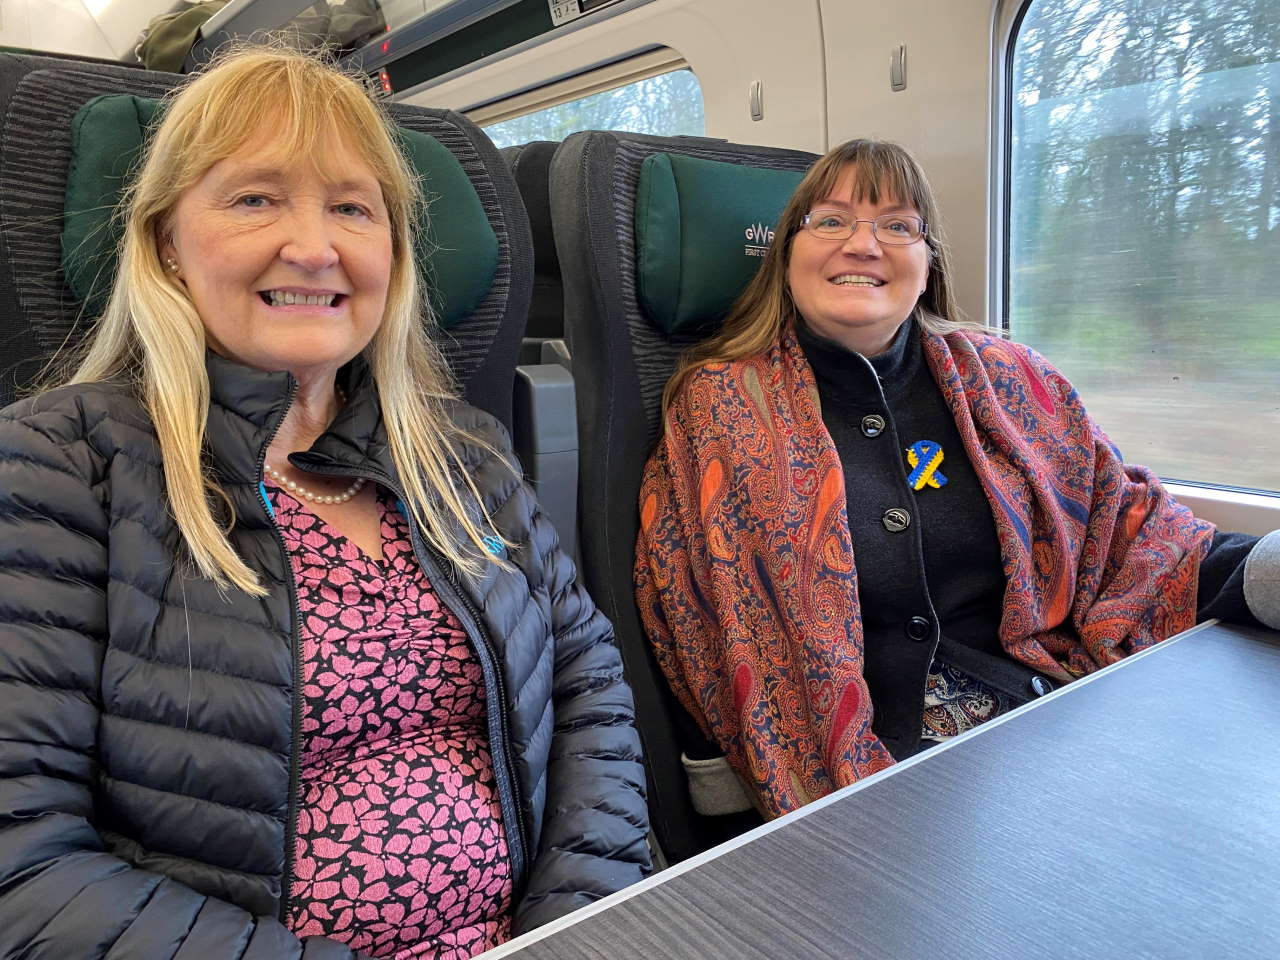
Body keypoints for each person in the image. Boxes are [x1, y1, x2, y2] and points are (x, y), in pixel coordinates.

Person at [0, 47, 649, 959]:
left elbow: (591, 696)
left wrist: (580, 926)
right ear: (164, 247)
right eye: (254, 198)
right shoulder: (56, 467)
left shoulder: (463, 454)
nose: (314, 246)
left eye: (352, 207)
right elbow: (22, 867)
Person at [635, 138, 1279, 820]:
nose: (863, 244)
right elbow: (695, 612)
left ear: (927, 258)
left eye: (897, 224)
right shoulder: (720, 408)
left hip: (1051, 705)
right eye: (829, 221)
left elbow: (1129, 531)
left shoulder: (1008, 378)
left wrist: (1265, 575)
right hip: (869, 768)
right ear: (787, 254)